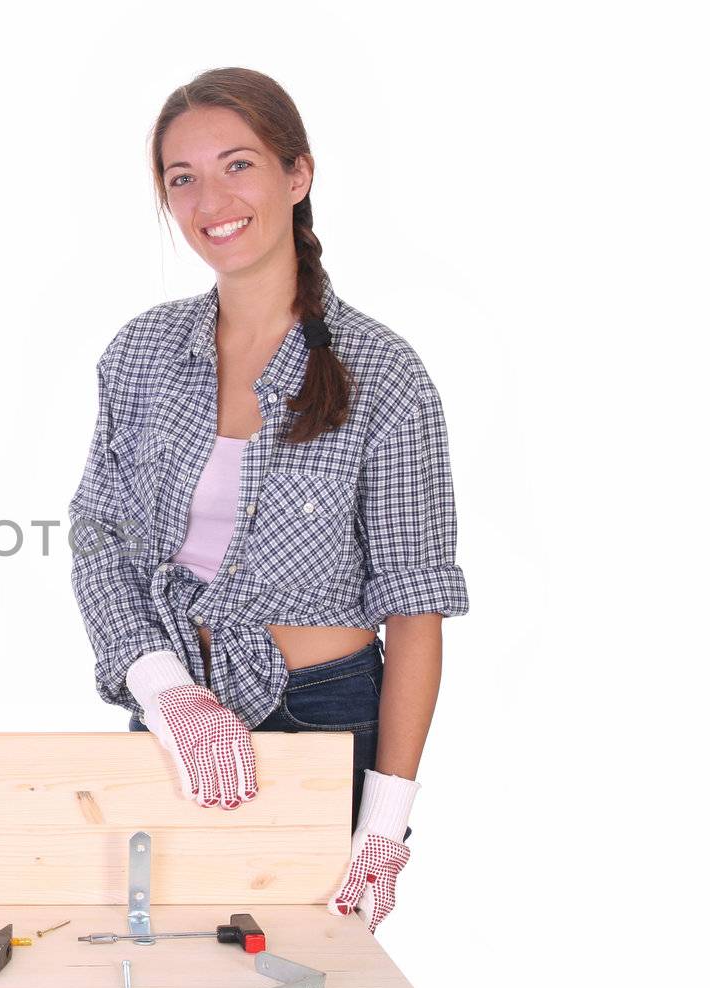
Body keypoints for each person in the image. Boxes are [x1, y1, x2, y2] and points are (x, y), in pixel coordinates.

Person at [68, 68, 467, 934]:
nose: (212, 198)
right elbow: (99, 536)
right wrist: (163, 686)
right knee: (161, 966)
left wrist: (385, 824)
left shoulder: (383, 374)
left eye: (238, 165)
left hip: (323, 715)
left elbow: (416, 610)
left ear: (298, 175)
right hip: (176, 711)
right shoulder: (141, 354)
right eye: (183, 178)